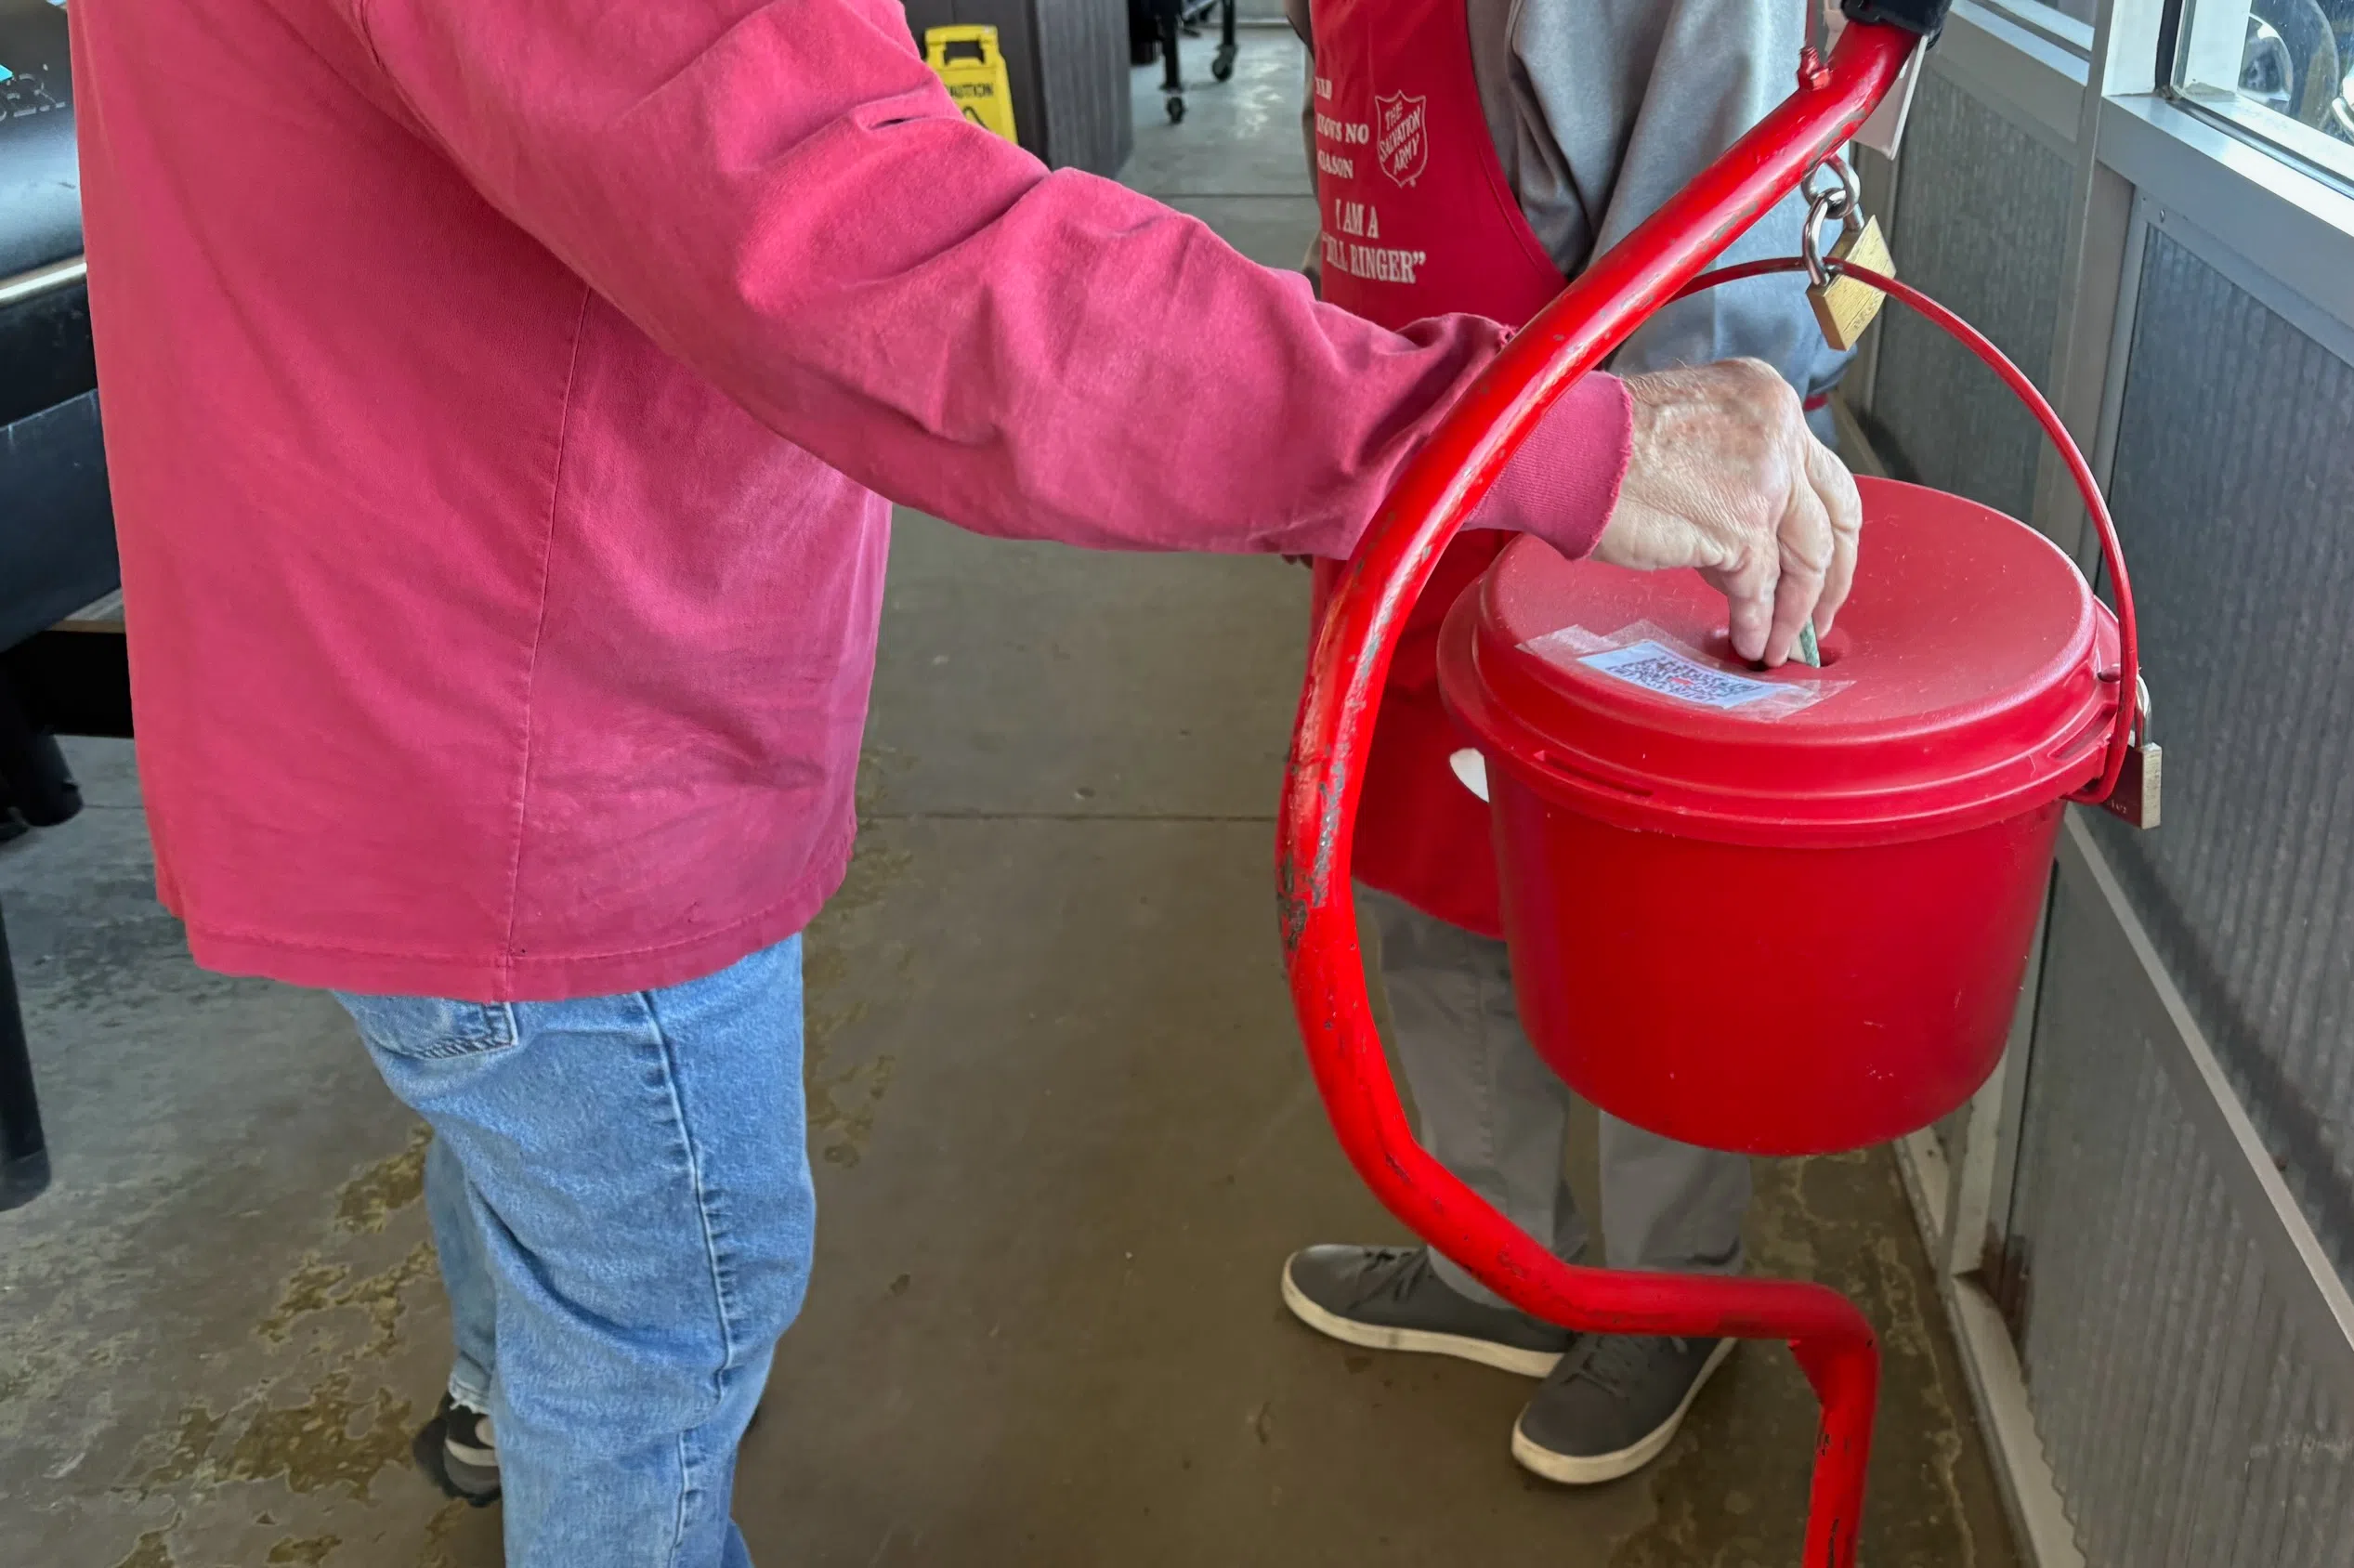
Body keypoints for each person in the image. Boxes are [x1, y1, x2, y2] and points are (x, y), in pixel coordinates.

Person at [67, 0, 1860, 1562]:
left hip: (409, 672)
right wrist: (1525, 431)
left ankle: (502, 1386)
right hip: (535, 754)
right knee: (667, 1313)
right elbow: (900, 274)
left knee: (542, 1188)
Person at [1275, 0, 1863, 1487]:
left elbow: (1714, 278)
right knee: (1429, 896)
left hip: (1628, 524)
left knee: (1651, 946)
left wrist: (1688, 538)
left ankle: (1670, 1295)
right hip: (1414, 498)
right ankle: (1496, 1268)